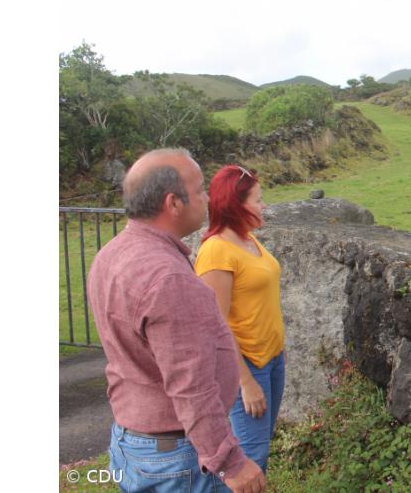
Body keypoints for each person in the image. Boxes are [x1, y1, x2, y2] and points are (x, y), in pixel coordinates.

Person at [87, 148, 266, 493]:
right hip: (176, 458)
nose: (207, 199)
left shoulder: (111, 254)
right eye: (199, 190)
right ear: (173, 203)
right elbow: (192, 387)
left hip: (132, 441)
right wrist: (230, 463)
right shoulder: (168, 278)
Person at [195, 165, 285, 473]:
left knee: (260, 446)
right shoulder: (216, 251)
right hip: (247, 366)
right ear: (236, 204)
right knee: (250, 458)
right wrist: (245, 382)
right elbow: (215, 324)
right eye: (258, 200)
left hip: (271, 359)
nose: (264, 206)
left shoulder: (247, 240)